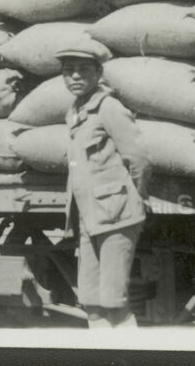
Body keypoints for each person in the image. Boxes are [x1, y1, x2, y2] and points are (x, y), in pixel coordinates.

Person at [56, 37, 152, 329]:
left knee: (114, 302)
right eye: (69, 70)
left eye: (83, 70)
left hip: (116, 218)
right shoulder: (74, 112)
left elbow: (139, 159)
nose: (75, 76)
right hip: (88, 219)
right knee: (91, 301)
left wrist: (133, 198)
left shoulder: (109, 107)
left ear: (98, 74)